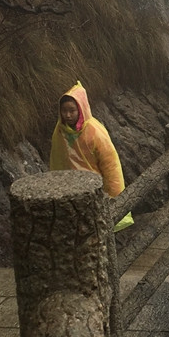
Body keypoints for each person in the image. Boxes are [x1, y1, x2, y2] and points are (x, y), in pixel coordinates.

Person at [49, 81, 134, 231]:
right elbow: (58, 162)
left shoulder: (95, 133)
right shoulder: (60, 132)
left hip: (95, 192)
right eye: (64, 110)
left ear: (81, 110)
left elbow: (111, 167)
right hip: (72, 194)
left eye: (72, 110)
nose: (67, 115)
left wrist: (114, 199)